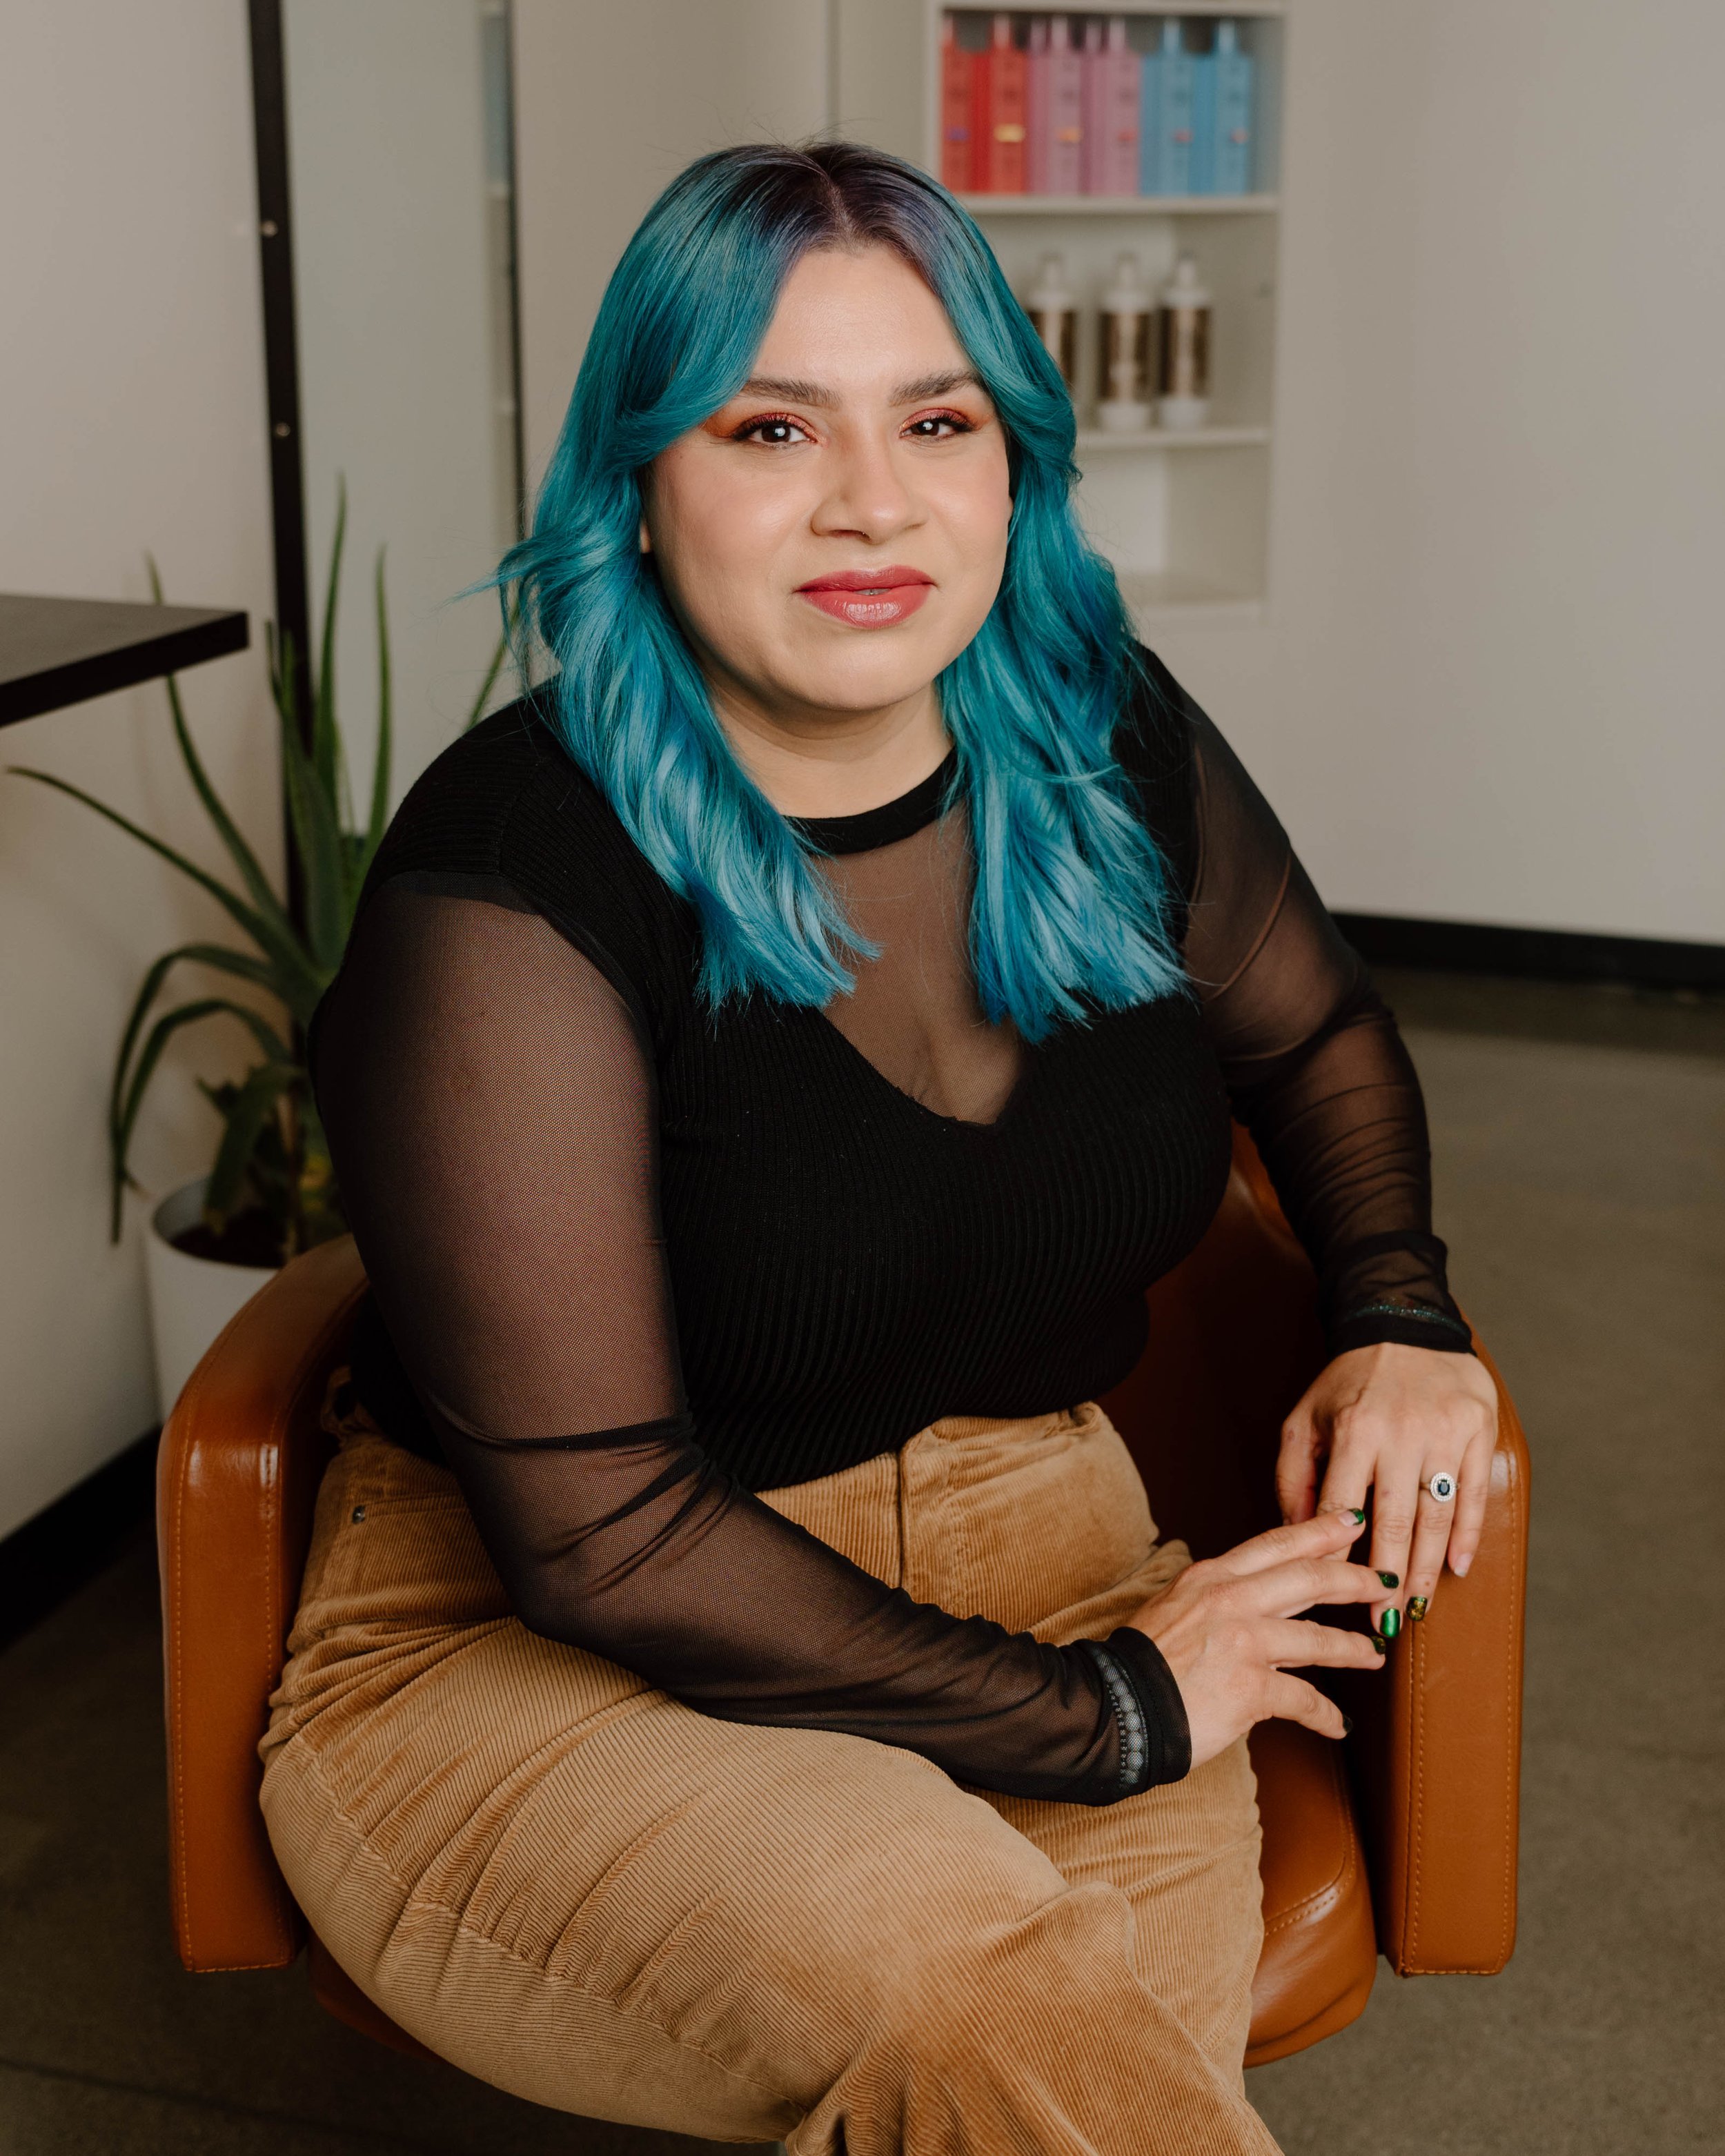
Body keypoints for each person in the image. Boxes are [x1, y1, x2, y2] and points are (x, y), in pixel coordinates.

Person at [259, 143, 1499, 2154]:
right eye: (769, 426)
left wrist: (1396, 1310)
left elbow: (1323, 1032)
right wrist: (1109, 1709)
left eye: (937, 419)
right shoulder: (508, 878)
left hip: (1065, 1552)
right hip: (529, 1658)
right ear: (640, 491)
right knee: (996, 2003)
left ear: (1012, 467)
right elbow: (603, 1542)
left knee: (1055, 2087)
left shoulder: (1101, 742)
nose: (870, 502)